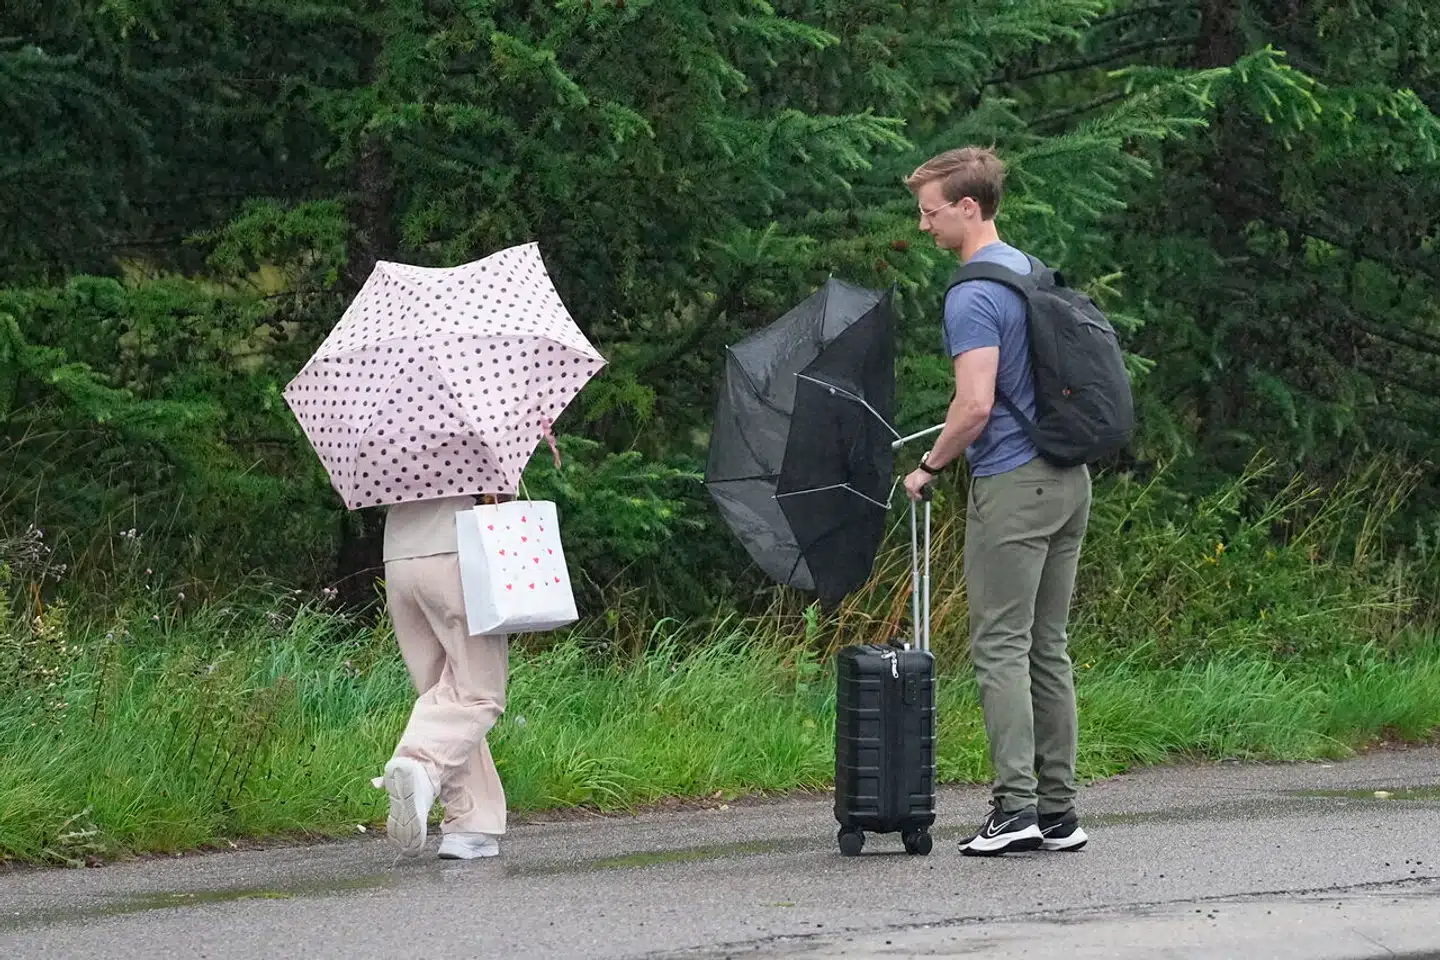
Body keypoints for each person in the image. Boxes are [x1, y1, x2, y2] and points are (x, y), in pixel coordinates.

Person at [900, 146, 1092, 856]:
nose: (924, 227)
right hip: (1069, 482)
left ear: (968, 207)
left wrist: (929, 465)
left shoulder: (972, 292)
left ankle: (1014, 811)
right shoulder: (1027, 269)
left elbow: (975, 406)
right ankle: (1059, 814)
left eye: (930, 212)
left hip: (1014, 485)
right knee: (1049, 649)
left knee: (1001, 650)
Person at [379, 492, 510, 860]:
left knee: (444, 697)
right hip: (456, 549)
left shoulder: (392, 434)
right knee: (478, 692)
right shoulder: (473, 433)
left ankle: (471, 825)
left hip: (399, 556)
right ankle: (421, 765)